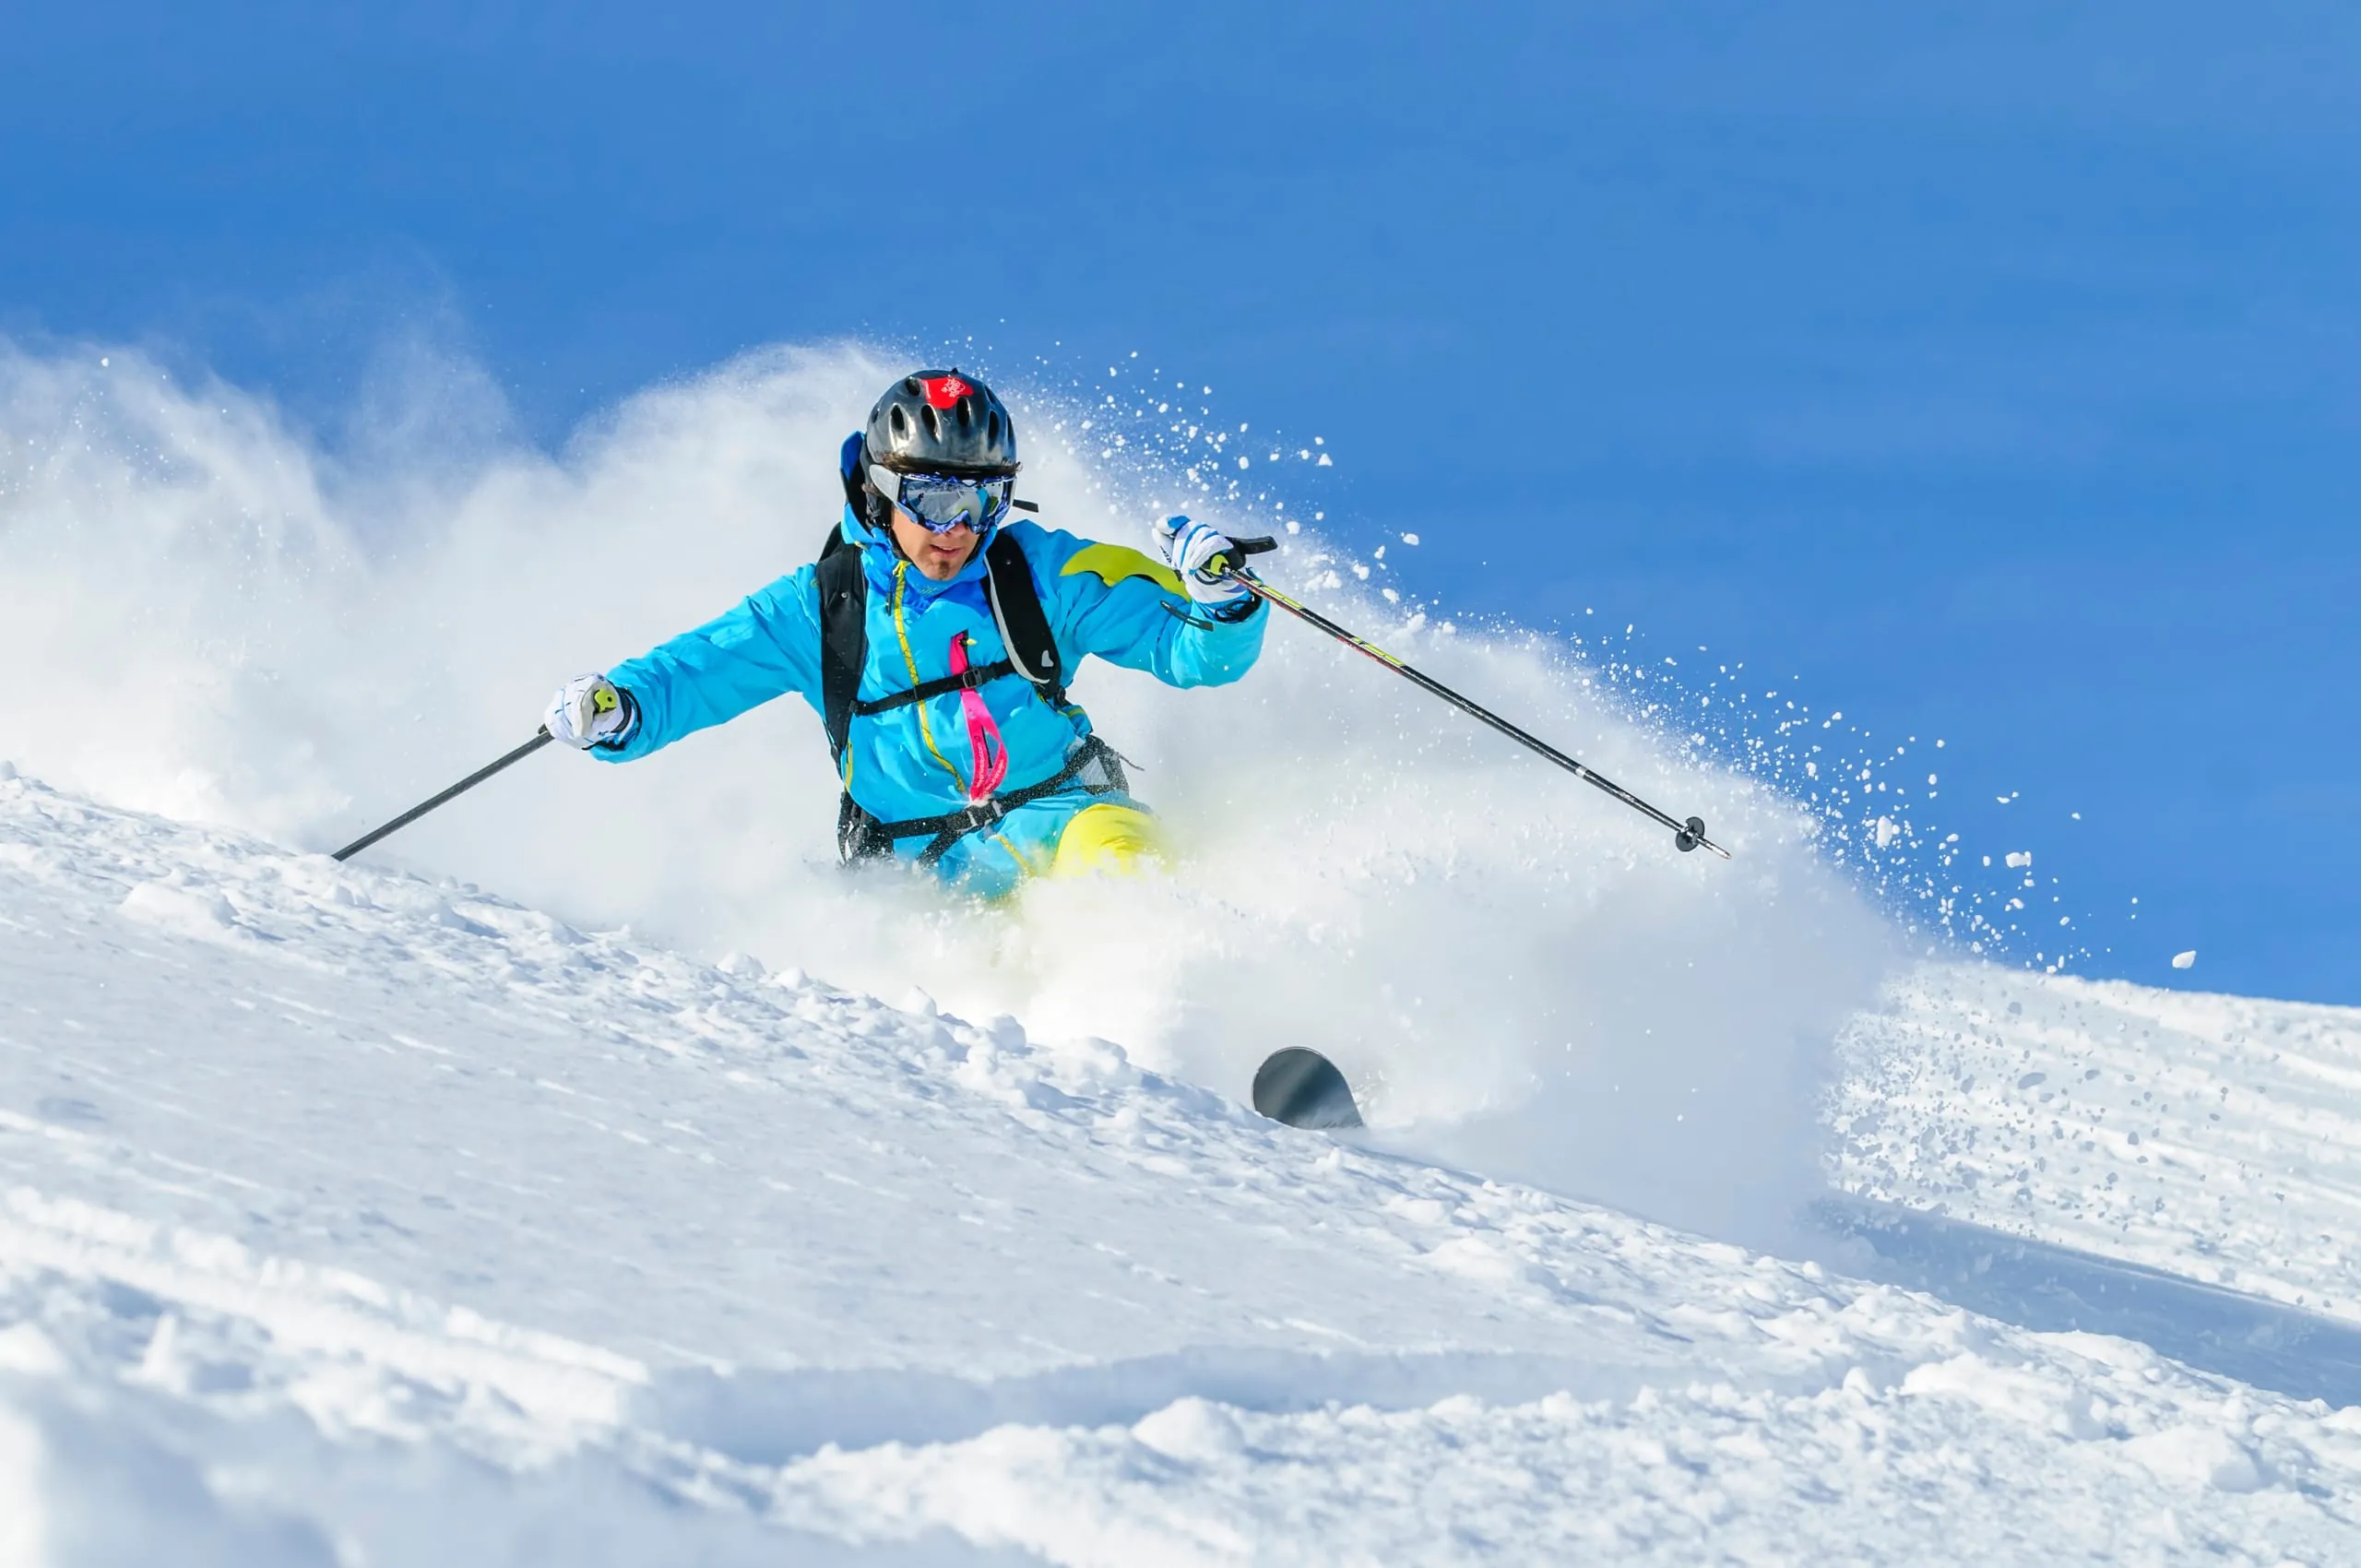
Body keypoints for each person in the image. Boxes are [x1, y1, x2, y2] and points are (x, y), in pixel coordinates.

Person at [540, 368, 1267, 897]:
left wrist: (1221, 598)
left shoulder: (1039, 572)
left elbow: (1190, 649)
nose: (956, 528)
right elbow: (700, 669)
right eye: (931, 497)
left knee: (1126, 885)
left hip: (1072, 818)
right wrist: (622, 706)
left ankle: (1254, 1039)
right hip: (927, 873)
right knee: (992, 999)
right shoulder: (826, 606)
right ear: (882, 489)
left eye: (982, 499)